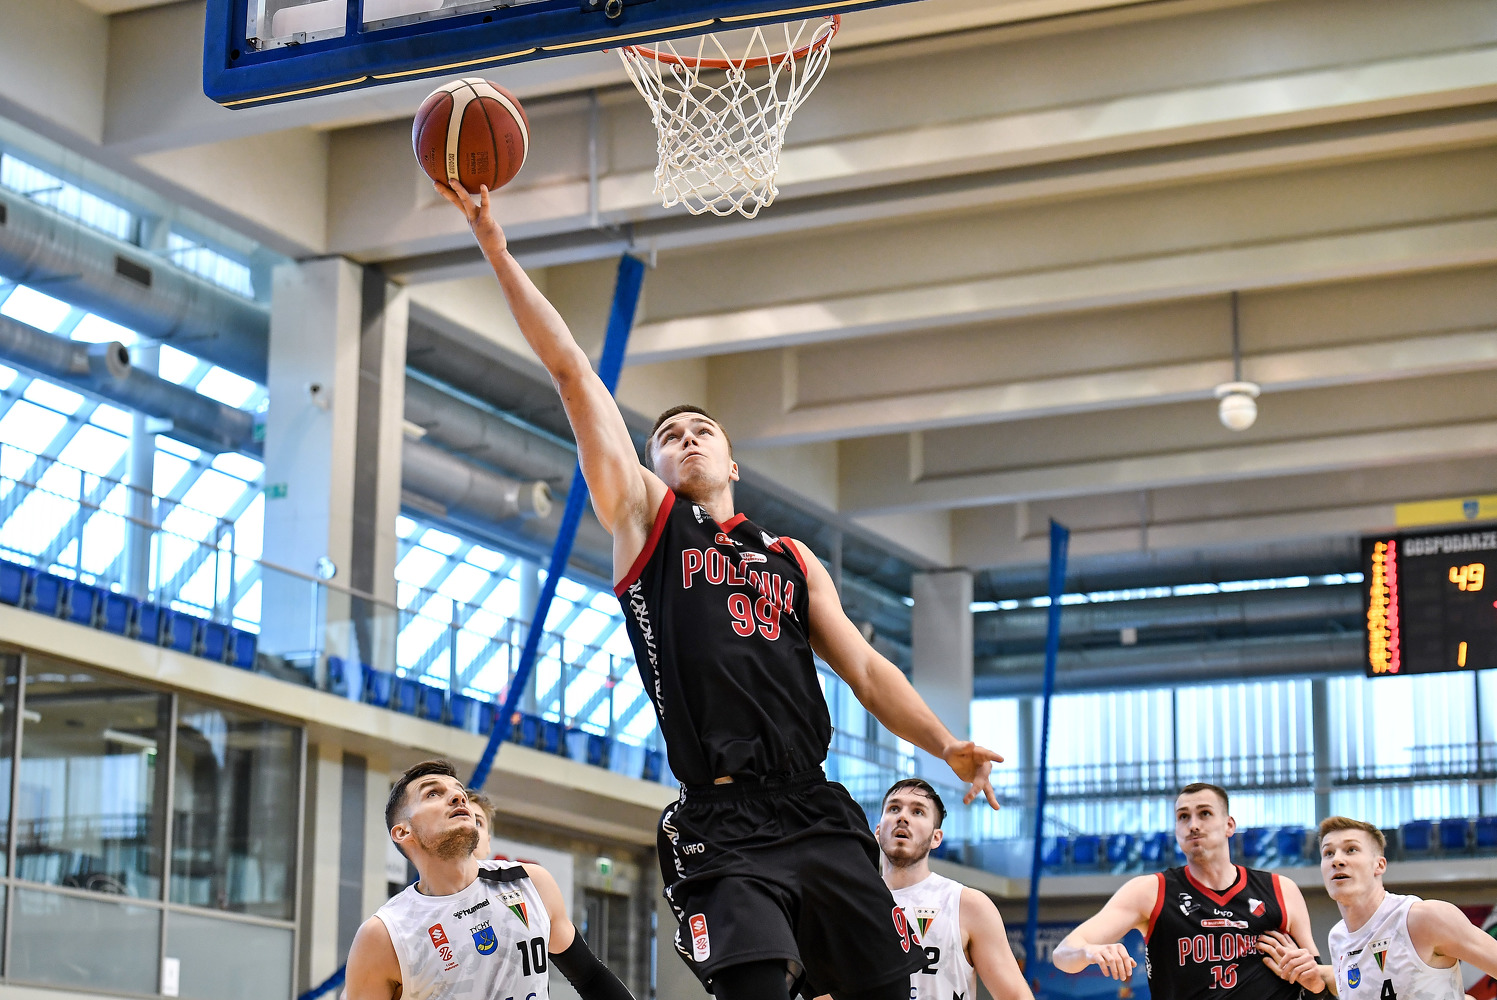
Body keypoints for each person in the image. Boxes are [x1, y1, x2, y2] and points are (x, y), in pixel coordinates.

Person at [436, 180, 1004, 1000]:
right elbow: (571, 373)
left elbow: (866, 672)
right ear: (651, 465)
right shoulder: (647, 523)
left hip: (815, 806)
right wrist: (494, 243)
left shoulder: (789, 556)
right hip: (720, 818)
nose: (686, 439)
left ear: (731, 461)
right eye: (668, 436)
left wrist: (944, 743)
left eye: (702, 431)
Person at [345, 760, 633, 1000]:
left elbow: (590, 976)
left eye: (458, 791)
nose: (458, 797)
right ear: (402, 832)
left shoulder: (531, 882)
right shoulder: (383, 935)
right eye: (432, 793)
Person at [1051, 782, 1317, 999]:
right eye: (1183, 817)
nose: (1193, 825)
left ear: (1229, 825)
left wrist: (1311, 974)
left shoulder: (1281, 889)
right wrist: (1088, 952)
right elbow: (1063, 954)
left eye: (1205, 813)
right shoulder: (1150, 891)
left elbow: (1319, 980)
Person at [1257, 815, 1497, 999]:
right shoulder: (1338, 937)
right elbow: (1364, 982)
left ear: (1379, 865)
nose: (1337, 860)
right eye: (1328, 853)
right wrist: (1313, 971)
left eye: (1351, 850)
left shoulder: (1423, 918)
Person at [842, 778, 1032, 1000]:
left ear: (936, 838)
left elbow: (1016, 996)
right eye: (894, 808)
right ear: (878, 830)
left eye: (918, 812)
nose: (902, 817)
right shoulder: (849, 906)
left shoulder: (967, 904)